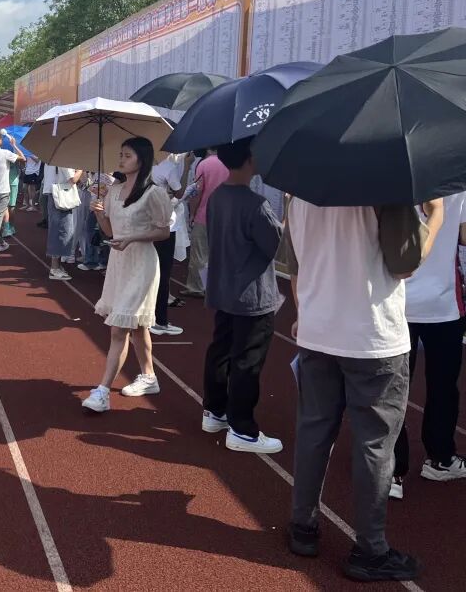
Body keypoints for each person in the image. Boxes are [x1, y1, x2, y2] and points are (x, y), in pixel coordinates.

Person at [284, 197, 443, 582]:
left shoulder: (299, 191)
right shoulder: (385, 186)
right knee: (375, 444)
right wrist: (435, 216)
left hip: (318, 332)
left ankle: (303, 527)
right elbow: (405, 264)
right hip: (372, 337)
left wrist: (305, 314)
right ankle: (370, 549)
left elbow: (295, 267)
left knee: (314, 432)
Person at [200, 137, 284, 453]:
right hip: (252, 296)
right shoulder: (255, 204)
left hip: (223, 289)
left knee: (221, 350)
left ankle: (215, 410)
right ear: (249, 158)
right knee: (247, 361)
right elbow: (276, 246)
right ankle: (242, 428)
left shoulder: (218, 197)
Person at [82, 137, 171, 413]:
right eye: (121, 154)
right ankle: (149, 376)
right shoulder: (114, 190)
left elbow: (163, 231)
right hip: (119, 263)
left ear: (142, 160)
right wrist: (99, 214)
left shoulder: (154, 193)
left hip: (142, 264)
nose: (121, 159)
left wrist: (133, 237)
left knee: (119, 328)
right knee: (138, 326)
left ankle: (102, 391)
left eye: (127, 155)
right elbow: (110, 231)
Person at [390, 191, 466, 497]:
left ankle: (392, 470)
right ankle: (441, 458)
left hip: (397, 300)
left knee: (393, 388)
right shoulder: (458, 183)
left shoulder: (393, 177)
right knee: (443, 386)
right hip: (443, 303)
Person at [181, 149, 227, 298]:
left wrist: (192, 213)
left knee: (200, 254)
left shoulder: (205, 164)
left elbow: (197, 192)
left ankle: (197, 287)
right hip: (226, 217)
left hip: (205, 215)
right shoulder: (230, 163)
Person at [150, 152, 186, 335]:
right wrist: (187, 167)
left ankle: (147, 317)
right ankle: (159, 320)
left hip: (147, 224)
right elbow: (180, 192)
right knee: (163, 274)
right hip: (164, 225)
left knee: (148, 273)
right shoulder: (168, 167)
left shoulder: (145, 166)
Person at [46, 163, 83, 281]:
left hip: (56, 194)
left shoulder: (52, 160)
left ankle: (56, 265)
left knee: (59, 230)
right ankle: (54, 267)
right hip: (60, 196)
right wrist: (81, 169)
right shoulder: (63, 161)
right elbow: (73, 179)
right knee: (60, 231)